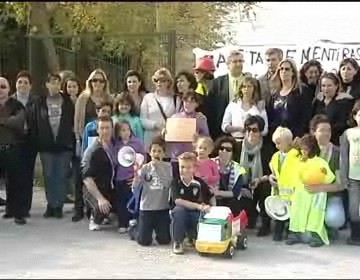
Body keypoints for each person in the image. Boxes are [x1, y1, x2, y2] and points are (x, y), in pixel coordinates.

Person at [29, 73, 74, 219]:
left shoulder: (67, 101)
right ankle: (50, 204)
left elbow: (72, 122)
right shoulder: (40, 102)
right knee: (48, 176)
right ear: (47, 85)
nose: (55, 85)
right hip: (46, 146)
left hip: (63, 145)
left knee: (61, 176)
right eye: (52, 82)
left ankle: (58, 205)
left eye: (57, 82)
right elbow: (35, 123)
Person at [287, 135, 336, 247]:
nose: (303, 152)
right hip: (300, 193)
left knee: (315, 214)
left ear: (313, 148)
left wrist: (323, 174)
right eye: (302, 149)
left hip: (316, 193)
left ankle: (316, 236)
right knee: (297, 212)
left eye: (306, 149)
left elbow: (330, 178)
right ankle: (294, 234)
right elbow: (293, 178)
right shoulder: (299, 162)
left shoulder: (320, 162)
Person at [170, 152, 216, 254]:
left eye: (189, 167)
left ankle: (192, 237)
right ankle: (178, 242)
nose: (185, 170)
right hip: (181, 212)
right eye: (182, 167)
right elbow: (177, 200)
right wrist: (198, 206)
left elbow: (211, 195)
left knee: (201, 217)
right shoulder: (175, 182)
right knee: (178, 211)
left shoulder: (199, 182)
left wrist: (213, 210)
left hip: (195, 213)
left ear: (195, 168)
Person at [310, 114, 345, 240]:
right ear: (313, 132)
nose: (326, 133)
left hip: (331, 196)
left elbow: (341, 184)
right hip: (310, 197)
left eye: (328, 130)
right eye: (322, 130)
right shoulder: (306, 151)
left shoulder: (338, 153)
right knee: (305, 238)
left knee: (334, 218)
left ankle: (329, 227)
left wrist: (320, 188)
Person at [132, 136, 172, 246]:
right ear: (149, 153)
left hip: (162, 209)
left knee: (164, 240)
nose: (156, 153)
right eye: (154, 151)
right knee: (144, 241)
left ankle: (157, 231)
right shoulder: (145, 168)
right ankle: (135, 230)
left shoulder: (168, 167)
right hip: (146, 209)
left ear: (164, 153)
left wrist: (159, 168)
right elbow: (135, 188)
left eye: (159, 151)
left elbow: (167, 184)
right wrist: (136, 177)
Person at [205, 50, 251, 139]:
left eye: (240, 61)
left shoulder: (251, 82)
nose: (238, 64)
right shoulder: (216, 83)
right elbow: (210, 110)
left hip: (245, 133)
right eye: (235, 61)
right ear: (228, 64)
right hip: (221, 133)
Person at [11, 70, 38, 218]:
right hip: (13, 141)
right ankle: (13, 207)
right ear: (15, 84)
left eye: (25, 82)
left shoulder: (35, 101)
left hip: (30, 141)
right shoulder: (10, 101)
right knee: (13, 175)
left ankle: (25, 207)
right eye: (20, 82)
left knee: (27, 175)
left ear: (30, 85)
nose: (22, 85)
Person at [222, 76, 268, 161]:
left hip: (255, 146)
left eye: (249, 86)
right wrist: (239, 129)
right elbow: (224, 126)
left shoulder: (259, 106)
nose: (246, 89)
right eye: (244, 86)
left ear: (254, 88)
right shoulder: (233, 105)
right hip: (236, 143)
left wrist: (252, 131)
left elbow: (265, 130)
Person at [82, 115, 116, 231]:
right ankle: (94, 217)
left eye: (108, 128)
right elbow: (87, 178)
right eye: (102, 128)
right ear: (97, 130)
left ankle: (109, 213)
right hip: (93, 188)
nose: (105, 131)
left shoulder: (115, 145)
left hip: (110, 185)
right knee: (101, 206)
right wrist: (100, 199)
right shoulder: (92, 151)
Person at [0, 76, 26, 225]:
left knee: (16, 182)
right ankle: (9, 210)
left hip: (12, 148)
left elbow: (19, 122)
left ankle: (18, 213)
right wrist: (8, 121)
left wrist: (4, 121)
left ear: (9, 89)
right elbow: (12, 122)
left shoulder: (17, 105)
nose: (0, 90)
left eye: (3, 87)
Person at [166, 90, 209, 178]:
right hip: (176, 157)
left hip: (192, 157)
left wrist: (198, 137)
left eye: (191, 101)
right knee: (176, 183)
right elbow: (168, 138)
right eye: (186, 101)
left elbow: (206, 137)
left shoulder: (200, 118)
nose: (188, 104)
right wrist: (165, 132)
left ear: (196, 104)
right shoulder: (175, 117)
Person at [114, 120, 146, 233]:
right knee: (121, 201)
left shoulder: (137, 143)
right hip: (120, 177)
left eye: (128, 129)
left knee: (133, 201)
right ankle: (122, 223)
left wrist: (138, 174)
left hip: (134, 177)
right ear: (118, 133)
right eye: (123, 130)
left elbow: (143, 158)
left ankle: (133, 221)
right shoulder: (116, 144)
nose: (126, 132)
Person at [140, 68, 181, 156]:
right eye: (156, 80)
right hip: (151, 141)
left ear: (168, 82)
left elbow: (178, 119)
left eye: (162, 80)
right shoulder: (148, 98)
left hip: (168, 141)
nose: (159, 82)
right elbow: (142, 120)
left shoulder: (175, 99)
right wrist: (155, 124)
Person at [268, 126, 300, 241]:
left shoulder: (297, 155)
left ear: (288, 142)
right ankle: (278, 232)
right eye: (275, 143)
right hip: (279, 191)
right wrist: (272, 177)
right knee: (279, 213)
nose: (277, 146)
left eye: (279, 143)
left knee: (292, 214)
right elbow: (273, 169)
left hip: (293, 191)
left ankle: (291, 234)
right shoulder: (275, 156)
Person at [74, 69, 113, 157]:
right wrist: (78, 139)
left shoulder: (110, 99)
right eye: (94, 80)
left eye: (101, 81)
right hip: (86, 135)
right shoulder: (83, 98)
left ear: (105, 83)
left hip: (105, 137)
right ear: (90, 82)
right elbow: (77, 119)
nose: (98, 83)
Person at [267, 59, 308, 139]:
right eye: (281, 69)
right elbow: (270, 117)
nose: (283, 71)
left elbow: (305, 117)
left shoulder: (301, 91)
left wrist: (300, 135)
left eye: (287, 69)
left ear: (293, 72)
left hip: (295, 138)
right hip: (277, 139)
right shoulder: (274, 95)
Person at [313, 72, 354, 146]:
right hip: (318, 141)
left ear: (336, 86)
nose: (326, 89)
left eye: (329, 86)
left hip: (336, 142)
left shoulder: (343, 102)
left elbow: (342, 123)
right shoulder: (318, 102)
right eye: (323, 86)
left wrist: (325, 130)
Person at [340, 100, 360, 245]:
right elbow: (344, 156)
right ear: (355, 116)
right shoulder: (348, 133)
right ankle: (355, 235)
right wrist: (344, 176)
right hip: (354, 177)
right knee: (353, 207)